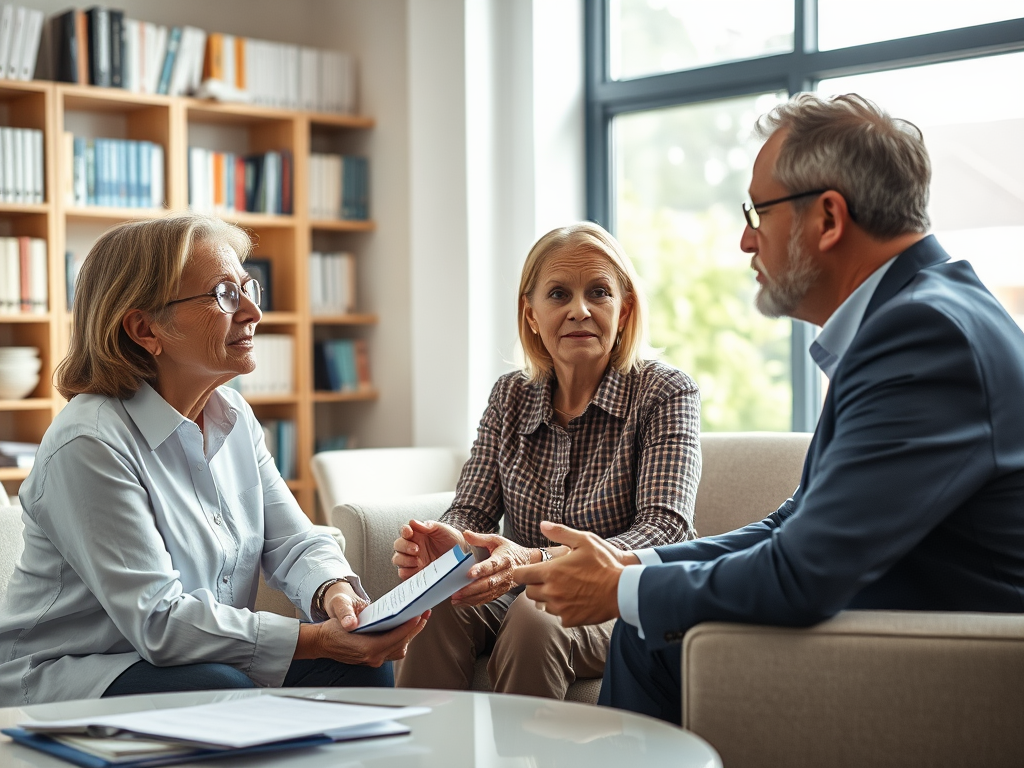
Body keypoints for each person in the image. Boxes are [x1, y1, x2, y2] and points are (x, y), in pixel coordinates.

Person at [515, 93, 1024, 724]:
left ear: (829, 219)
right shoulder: (916, 314)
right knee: (647, 625)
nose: (745, 238)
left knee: (648, 631)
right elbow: (794, 522)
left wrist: (621, 589)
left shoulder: (923, 336)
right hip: (909, 614)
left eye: (759, 212)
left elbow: (802, 570)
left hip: (950, 660)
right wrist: (632, 564)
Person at [0, 214, 427, 705]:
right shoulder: (89, 442)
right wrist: (313, 640)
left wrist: (333, 593)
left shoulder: (233, 416)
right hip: (73, 673)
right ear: (145, 328)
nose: (252, 312)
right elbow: (158, 621)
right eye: (225, 294)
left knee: (357, 672)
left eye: (249, 288)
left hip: (194, 661)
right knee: (224, 689)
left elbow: (293, 540)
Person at [393, 222, 701, 698]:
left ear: (625, 308)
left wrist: (537, 560)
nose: (580, 309)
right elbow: (471, 511)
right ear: (532, 314)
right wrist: (453, 548)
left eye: (598, 292)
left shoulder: (664, 391)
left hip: (624, 597)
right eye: (559, 294)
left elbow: (665, 529)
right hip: (522, 591)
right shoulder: (510, 395)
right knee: (437, 606)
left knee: (538, 614)